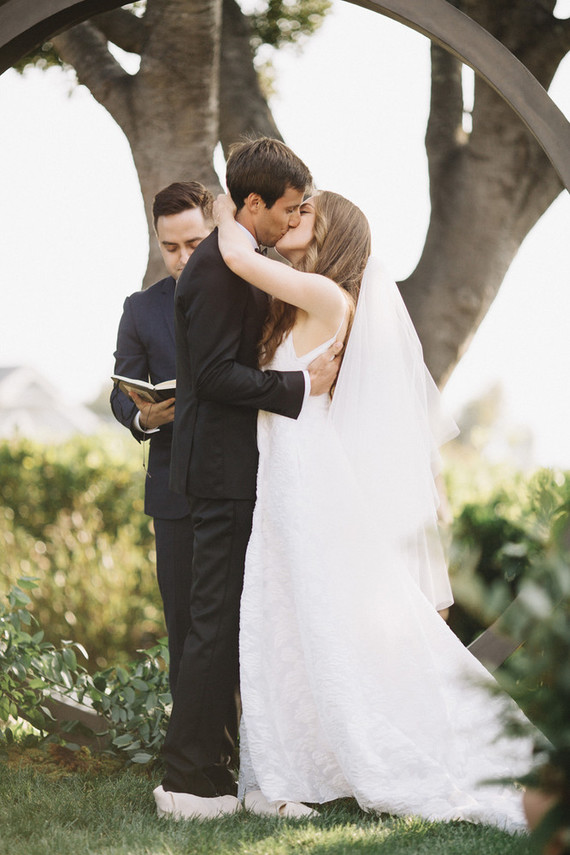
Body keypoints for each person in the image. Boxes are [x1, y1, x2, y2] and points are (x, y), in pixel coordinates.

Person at [207, 188, 536, 828]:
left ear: (336, 239)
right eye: (294, 210)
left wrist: (226, 212)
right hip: (284, 481)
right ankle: (287, 769)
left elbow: (240, 259)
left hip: (311, 483)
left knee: (316, 619)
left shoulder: (331, 298)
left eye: (309, 215)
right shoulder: (291, 302)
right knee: (281, 619)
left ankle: (347, 758)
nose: (295, 218)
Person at [153, 139, 342, 820]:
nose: (293, 221)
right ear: (253, 202)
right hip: (218, 469)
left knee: (224, 619)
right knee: (210, 623)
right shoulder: (218, 268)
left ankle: (211, 764)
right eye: (287, 209)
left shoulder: (237, 258)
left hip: (228, 465)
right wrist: (297, 384)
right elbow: (212, 376)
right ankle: (189, 778)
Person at [111, 181, 214, 692]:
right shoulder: (140, 309)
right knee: (183, 624)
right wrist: (146, 419)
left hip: (248, 484)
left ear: (213, 228)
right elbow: (119, 393)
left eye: (193, 244)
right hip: (173, 490)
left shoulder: (252, 293)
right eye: (170, 247)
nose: (182, 258)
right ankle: (189, 755)